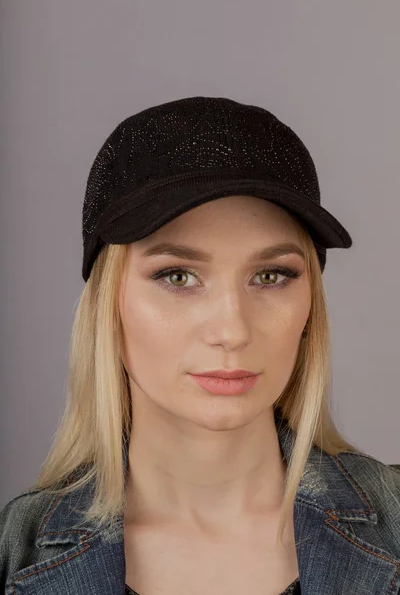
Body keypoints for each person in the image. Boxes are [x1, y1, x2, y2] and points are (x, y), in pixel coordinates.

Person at [1, 96, 399, 595]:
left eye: (271, 275)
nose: (231, 331)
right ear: (109, 303)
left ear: (309, 307)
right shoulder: (14, 555)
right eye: (178, 275)